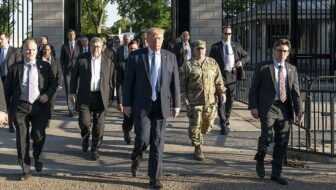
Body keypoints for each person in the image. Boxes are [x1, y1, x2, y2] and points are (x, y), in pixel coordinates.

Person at [122, 27, 181, 189]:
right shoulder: (136, 57)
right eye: (154, 38)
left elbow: (175, 82)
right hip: (141, 105)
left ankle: (155, 177)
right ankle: (136, 157)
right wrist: (126, 103)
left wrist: (177, 103)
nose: (157, 40)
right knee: (142, 138)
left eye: (160, 38)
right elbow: (128, 83)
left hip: (161, 105)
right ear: (146, 39)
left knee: (158, 141)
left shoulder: (171, 57)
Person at [248, 39, 304, 185]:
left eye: (285, 51)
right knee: (267, 137)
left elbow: (295, 92)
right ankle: (260, 158)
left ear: (288, 53)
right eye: (279, 50)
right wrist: (253, 106)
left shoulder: (291, 69)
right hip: (268, 107)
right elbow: (254, 88)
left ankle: (276, 174)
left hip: (285, 108)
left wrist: (299, 111)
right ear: (273, 51)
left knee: (282, 142)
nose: (282, 53)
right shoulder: (263, 67)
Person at [5, 39, 57, 180]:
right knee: (22, 139)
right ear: (22, 51)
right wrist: (4, 110)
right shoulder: (14, 68)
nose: (30, 52)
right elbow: (7, 91)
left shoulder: (44, 66)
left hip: (39, 106)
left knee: (38, 136)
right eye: (27, 49)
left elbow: (54, 83)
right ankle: (26, 169)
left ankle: (37, 155)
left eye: (33, 49)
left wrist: (47, 94)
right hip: (20, 108)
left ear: (37, 51)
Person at [179, 40, 226, 161]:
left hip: (210, 101)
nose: (200, 51)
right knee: (195, 126)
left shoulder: (212, 62)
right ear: (193, 50)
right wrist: (183, 97)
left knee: (206, 126)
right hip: (194, 101)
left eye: (202, 49)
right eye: (198, 49)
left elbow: (218, 79)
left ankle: (199, 136)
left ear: (206, 50)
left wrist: (222, 92)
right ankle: (198, 147)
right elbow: (181, 84)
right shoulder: (187, 65)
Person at [69, 37, 114, 161]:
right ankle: (85, 137)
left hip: (101, 96)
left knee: (99, 126)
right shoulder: (82, 58)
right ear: (90, 46)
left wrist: (111, 97)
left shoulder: (108, 61)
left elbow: (111, 81)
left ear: (102, 47)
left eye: (98, 46)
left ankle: (95, 149)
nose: (96, 48)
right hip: (85, 96)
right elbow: (74, 76)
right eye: (93, 46)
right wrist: (72, 92)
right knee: (84, 122)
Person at [209, 26, 250, 135]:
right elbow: (211, 62)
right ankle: (223, 123)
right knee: (221, 100)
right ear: (222, 34)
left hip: (232, 76)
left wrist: (241, 61)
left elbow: (247, 56)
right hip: (220, 77)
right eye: (226, 33)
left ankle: (226, 118)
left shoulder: (236, 46)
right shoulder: (216, 47)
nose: (228, 36)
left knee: (230, 100)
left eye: (230, 34)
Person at [116, 40, 139, 145]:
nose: (133, 50)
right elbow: (119, 84)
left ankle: (139, 140)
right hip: (127, 99)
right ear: (128, 50)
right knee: (128, 122)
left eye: (135, 49)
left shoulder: (143, 63)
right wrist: (120, 101)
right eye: (131, 49)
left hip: (140, 98)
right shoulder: (122, 64)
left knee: (140, 122)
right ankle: (126, 132)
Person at [0, 31, 22, 133]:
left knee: (13, 103)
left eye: (2, 39)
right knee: (4, 102)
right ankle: (5, 118)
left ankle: (11, 124)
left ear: (7, 39)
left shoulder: (15, 51)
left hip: (11, 80)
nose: (0, 41)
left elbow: (18, 65)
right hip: (1, 80)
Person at [40, 44, 63, 127]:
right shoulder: (38, 60)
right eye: (45, 49)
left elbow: (59, 73)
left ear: (50, 50)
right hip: (41, 86)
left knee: (51, 103)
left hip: (52, 86)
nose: (46, 51)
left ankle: (48, 119)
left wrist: (59, 84)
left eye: (48, 49)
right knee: (41, 103)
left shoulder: (55, 60)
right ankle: (41, 118)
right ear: (42, 50)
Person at [60, 29, 81, 117]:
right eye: (70, 34)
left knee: (77, 89)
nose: (71, 36)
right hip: (67, 72)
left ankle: (77, 106)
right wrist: (62, 70)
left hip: (77, 71)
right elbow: (61, 60)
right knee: (69, 90)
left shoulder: (79, 46)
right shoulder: (64, 46)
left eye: (73, 34)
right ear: (67, 36)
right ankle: (70, 109)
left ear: (75, 35)